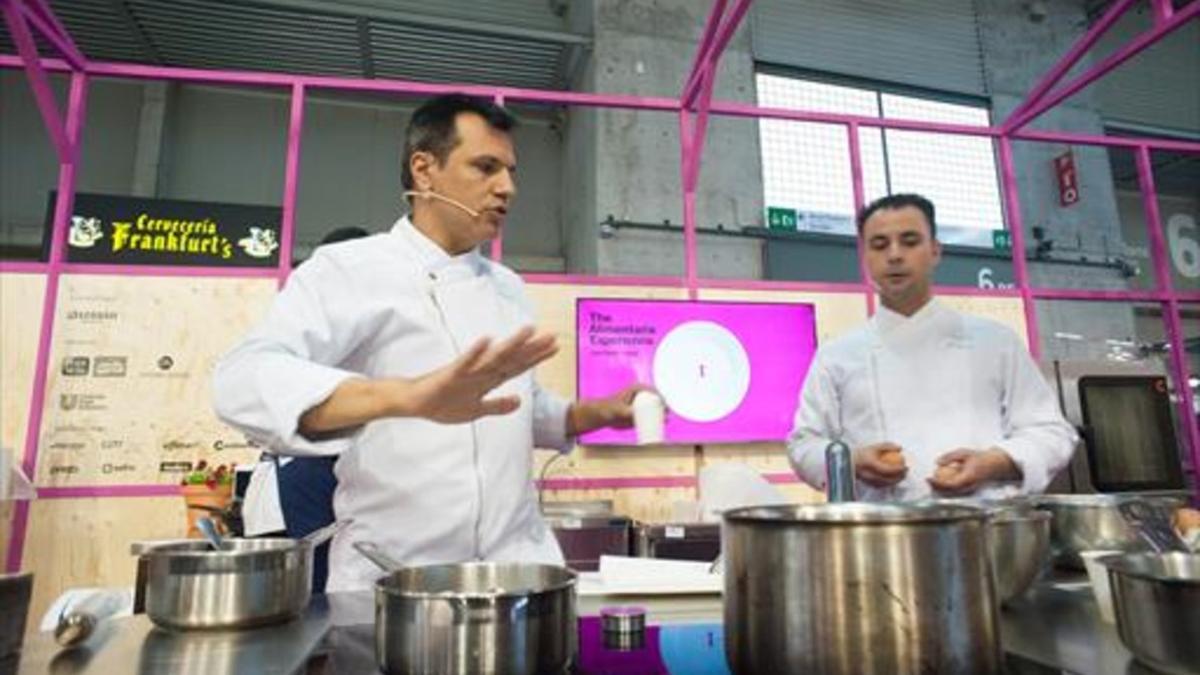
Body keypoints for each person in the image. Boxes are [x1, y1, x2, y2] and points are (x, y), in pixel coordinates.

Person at [214, 95, 639, 592]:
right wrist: (405, 398)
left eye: (510, 171)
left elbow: (516, 408)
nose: (508, 188)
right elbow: (241, 378)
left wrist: (593, 414)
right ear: (424, 170)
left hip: (518, 576)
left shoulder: (508, 288)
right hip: (395, 581)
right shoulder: (349, 270)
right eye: (485, 167)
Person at [787, 193, 1076, 501]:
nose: (895, 255)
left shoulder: (995, 342)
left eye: (910, 241)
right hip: (878, 536)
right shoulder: (838, 355)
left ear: (935, 251)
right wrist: (852, 461)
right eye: (880, 245)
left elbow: (1052, 434)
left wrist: (992, 463)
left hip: (982, 529)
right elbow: (804, 444)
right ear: (865, 258)